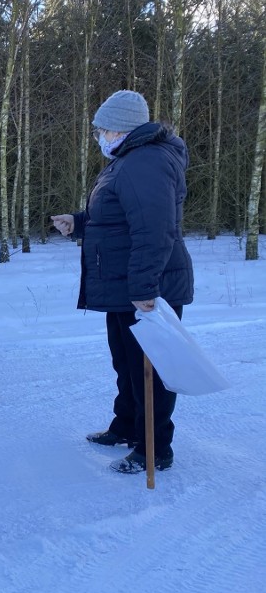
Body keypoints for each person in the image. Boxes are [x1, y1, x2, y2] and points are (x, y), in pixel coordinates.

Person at [51, 89, 194, 474]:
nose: (98, 136)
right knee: (127, 363)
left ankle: (154, 449)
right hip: (122, 283)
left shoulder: (145, 161)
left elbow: (155, 229)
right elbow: (119, 216)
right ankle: (128, 426)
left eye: (102, 129)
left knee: (151, 370)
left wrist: (146, 289)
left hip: (145, 286)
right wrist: (79, 222)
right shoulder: (129, 159)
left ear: (121, 129)